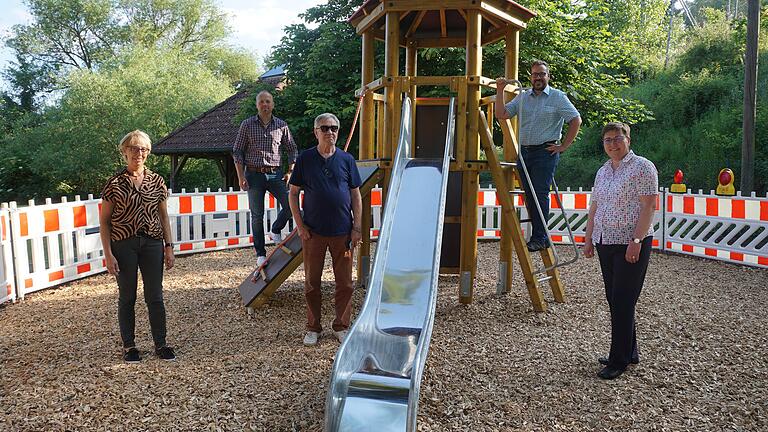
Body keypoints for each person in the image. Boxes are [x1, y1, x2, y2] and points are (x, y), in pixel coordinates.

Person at [582, 122, 658, 380]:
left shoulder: (643, 167)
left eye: (617, 138)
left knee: (623, 300)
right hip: (605, 240)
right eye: (607, 140)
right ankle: (630, 351)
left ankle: (618, 360)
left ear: (628, 139)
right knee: (615, 299)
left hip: (631, 242)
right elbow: (594, 206)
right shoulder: (603, 171)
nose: (612, 143)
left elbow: (649, 206)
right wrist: (589, 237)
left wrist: (636, 240)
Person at [99, 130, 176, 363]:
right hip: (123, 244)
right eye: (133, 148)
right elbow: (104, 221)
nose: (138, 153)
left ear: (148, 152)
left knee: (155, 295)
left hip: (152, 243)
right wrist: (108, 253)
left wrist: (169, 246)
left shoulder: (157, 181)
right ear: (124, 152)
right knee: (127, 296)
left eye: (142, 149)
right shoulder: (114, 184)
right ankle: (129, 345)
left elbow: (164, 217)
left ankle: (161, 344)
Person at [288, 113, 362, 347]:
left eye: (334, 128)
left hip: (343, 232)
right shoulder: (305, 159)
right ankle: (313, 327)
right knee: (312, 282)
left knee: (345, 283)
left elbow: (355, 194)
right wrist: (300, 226)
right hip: (314, 233)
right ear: (316, 132)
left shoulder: (347, 159)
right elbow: (293, 193)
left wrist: (357, 227)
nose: (330, 132)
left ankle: (341, 325)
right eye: (325, 128)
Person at [495, 60, 582, 251]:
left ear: (548, 76)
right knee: (529, 195)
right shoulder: (523, 97)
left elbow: (575, 119)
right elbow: (501, 114)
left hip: (545, 151)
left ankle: (540, 237)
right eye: (535, 74)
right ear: (530, 77)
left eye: (542, 74)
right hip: (525, 152)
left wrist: (563, 146)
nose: (538, 78)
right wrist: (500, 90)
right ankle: (540, 235)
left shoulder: (557, 97)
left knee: (540, 194)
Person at [233, 90, 298, 268]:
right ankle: (260, 254)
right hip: (253, 174)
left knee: (291, 205)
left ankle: (276, 229)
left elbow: (292, 149)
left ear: (272, 104)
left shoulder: (282, 126)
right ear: (257, 105)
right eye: (261, 102)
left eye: (268, 101)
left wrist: (290, 170)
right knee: (257, 216)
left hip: (275, 173)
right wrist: (240, 176)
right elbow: (237, 151)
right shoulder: (246, 125)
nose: (265, 105)